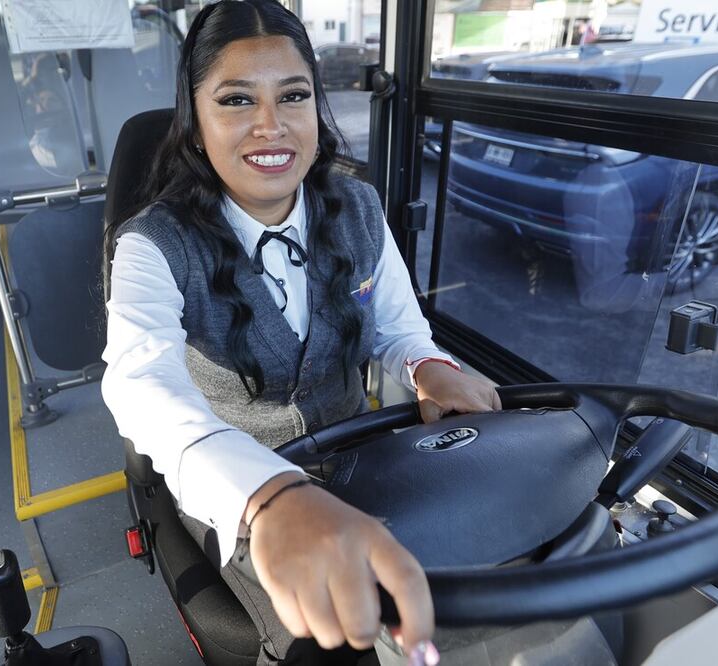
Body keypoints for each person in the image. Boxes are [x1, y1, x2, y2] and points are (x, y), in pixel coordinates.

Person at [102, 1, 500, 664]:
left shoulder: (357, 209)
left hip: (358, 452)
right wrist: (270, 496)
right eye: (235, 99)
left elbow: (399, 330)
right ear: (194, 123)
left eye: (293, 95)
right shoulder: (153, 245)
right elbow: (139, 384)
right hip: (231, 485)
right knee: (324, 642)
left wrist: (428, 368)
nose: (270, 125)